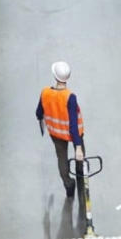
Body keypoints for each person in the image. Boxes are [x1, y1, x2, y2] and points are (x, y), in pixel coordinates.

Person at [36, 61, 84, 198]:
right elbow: (73, 125)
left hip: (56, 134)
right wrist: (78, 147)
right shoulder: (70, 97)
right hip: (74, 134)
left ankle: (68, 185)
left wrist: (42, 118)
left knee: (61, 159)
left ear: (55, 76)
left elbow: (39, 112)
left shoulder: (45, 93)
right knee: (79, 154)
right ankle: (80, 172)